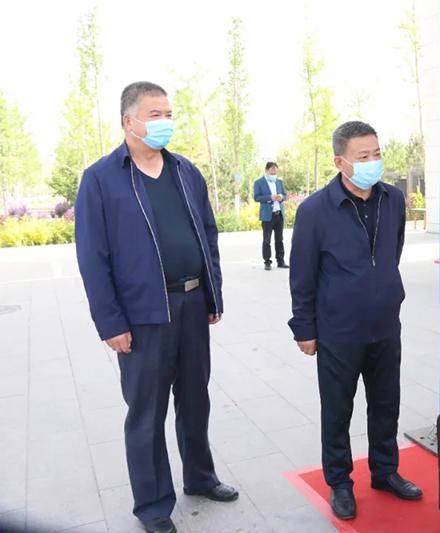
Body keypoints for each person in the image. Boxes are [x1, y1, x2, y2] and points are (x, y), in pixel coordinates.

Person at [74, 82, 237, 533]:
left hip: (192, 304)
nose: (165, 121)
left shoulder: (185, 170)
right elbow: (92, 257)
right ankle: (152, 505)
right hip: (144, 314)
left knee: (196, 400)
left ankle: (200, 477)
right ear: (129, 121)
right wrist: (110, 321)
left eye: (168, 113)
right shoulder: (101, 178)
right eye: (155, 114)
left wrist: (212, 294)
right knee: (146, 413)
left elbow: (208, 234)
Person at [288, 121, 422, 520]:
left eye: (377, 154)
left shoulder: (392, 199)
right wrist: (304, 328)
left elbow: (392, 252)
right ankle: (340, 483)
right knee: (337, 412)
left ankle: (385, 471)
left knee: (386, 405)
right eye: (363, 156)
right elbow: (302, 275)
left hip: (385, 327)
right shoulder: (315, 210)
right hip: (339, 331)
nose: (373, 162)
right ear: (340, 162)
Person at [253, 162, 288, 270]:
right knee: (266, 240)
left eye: (275, 173)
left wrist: (282, 197)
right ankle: (267, 261)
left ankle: (280, 261)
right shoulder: (259, 183)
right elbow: (256, 197)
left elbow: (285, 194)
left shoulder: (279, 182)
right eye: (272, 173)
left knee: (279, 239)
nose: (273, 175)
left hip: (278, 214)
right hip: (267, 215)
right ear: (266, 171)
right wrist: (270, 198)